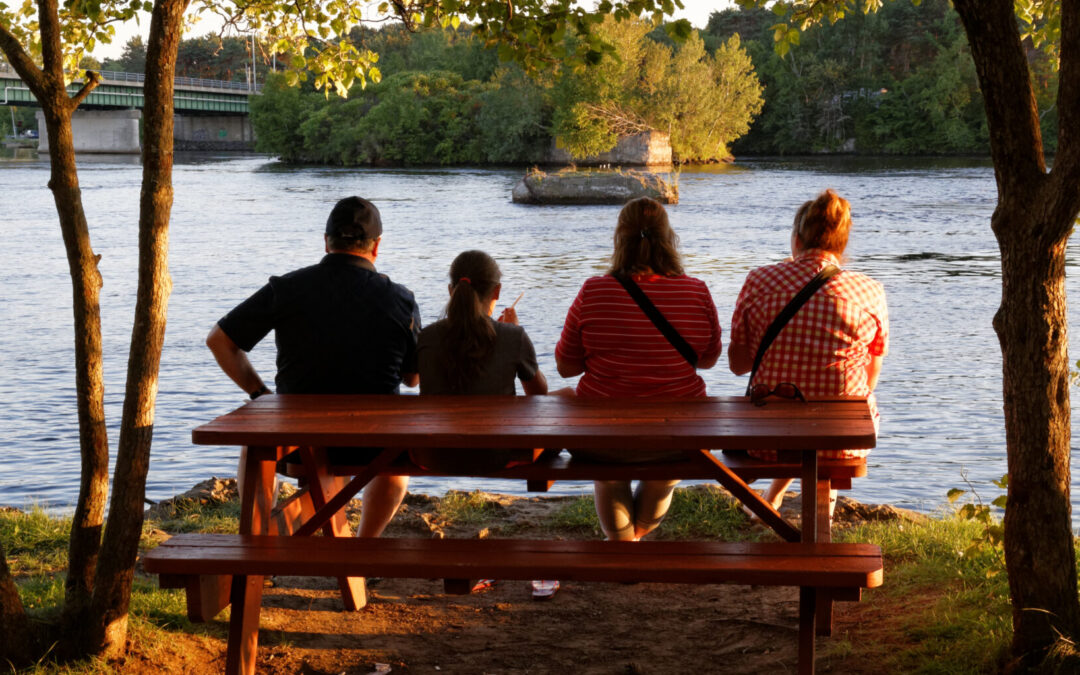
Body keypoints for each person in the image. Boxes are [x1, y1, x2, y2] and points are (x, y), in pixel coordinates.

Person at [206, 195, 421, 541]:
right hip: (373, 447)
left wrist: (260, 395)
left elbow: (220, 341)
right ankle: (362, 547)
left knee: (253, 443)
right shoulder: (400, 299)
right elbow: (413, 378)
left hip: (297, 442)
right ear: (376, 246)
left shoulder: (287, 289)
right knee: (395, 465)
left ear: (326, 241)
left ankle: (258, 541)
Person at [555, 197, 723, 542]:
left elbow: (565, 367)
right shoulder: (696, 291)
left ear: (619, 238)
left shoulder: (594, 291)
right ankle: (630, 544)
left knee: (609, 473)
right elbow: (707, 361)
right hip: (679, 439)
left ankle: (623, 547)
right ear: (669, 238)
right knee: (662, 474)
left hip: (600, 440)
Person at [728, 189, 888, 513]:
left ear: (796, 239)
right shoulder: (869, 290)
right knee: (825, 417)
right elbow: (869, 380)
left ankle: (774, 500)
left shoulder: (760, 280)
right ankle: (818, 532)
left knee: (793, 411)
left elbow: (738, 365)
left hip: (766, 442)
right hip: (843, 442)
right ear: (842, 244)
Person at [413, 249, 549, 471]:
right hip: (498, 456)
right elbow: (539, 394)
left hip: (432, 455)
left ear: (451, 291)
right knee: (567, 397)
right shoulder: (513, 336)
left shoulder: (427, 336)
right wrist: (515, 335)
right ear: (497, 291)